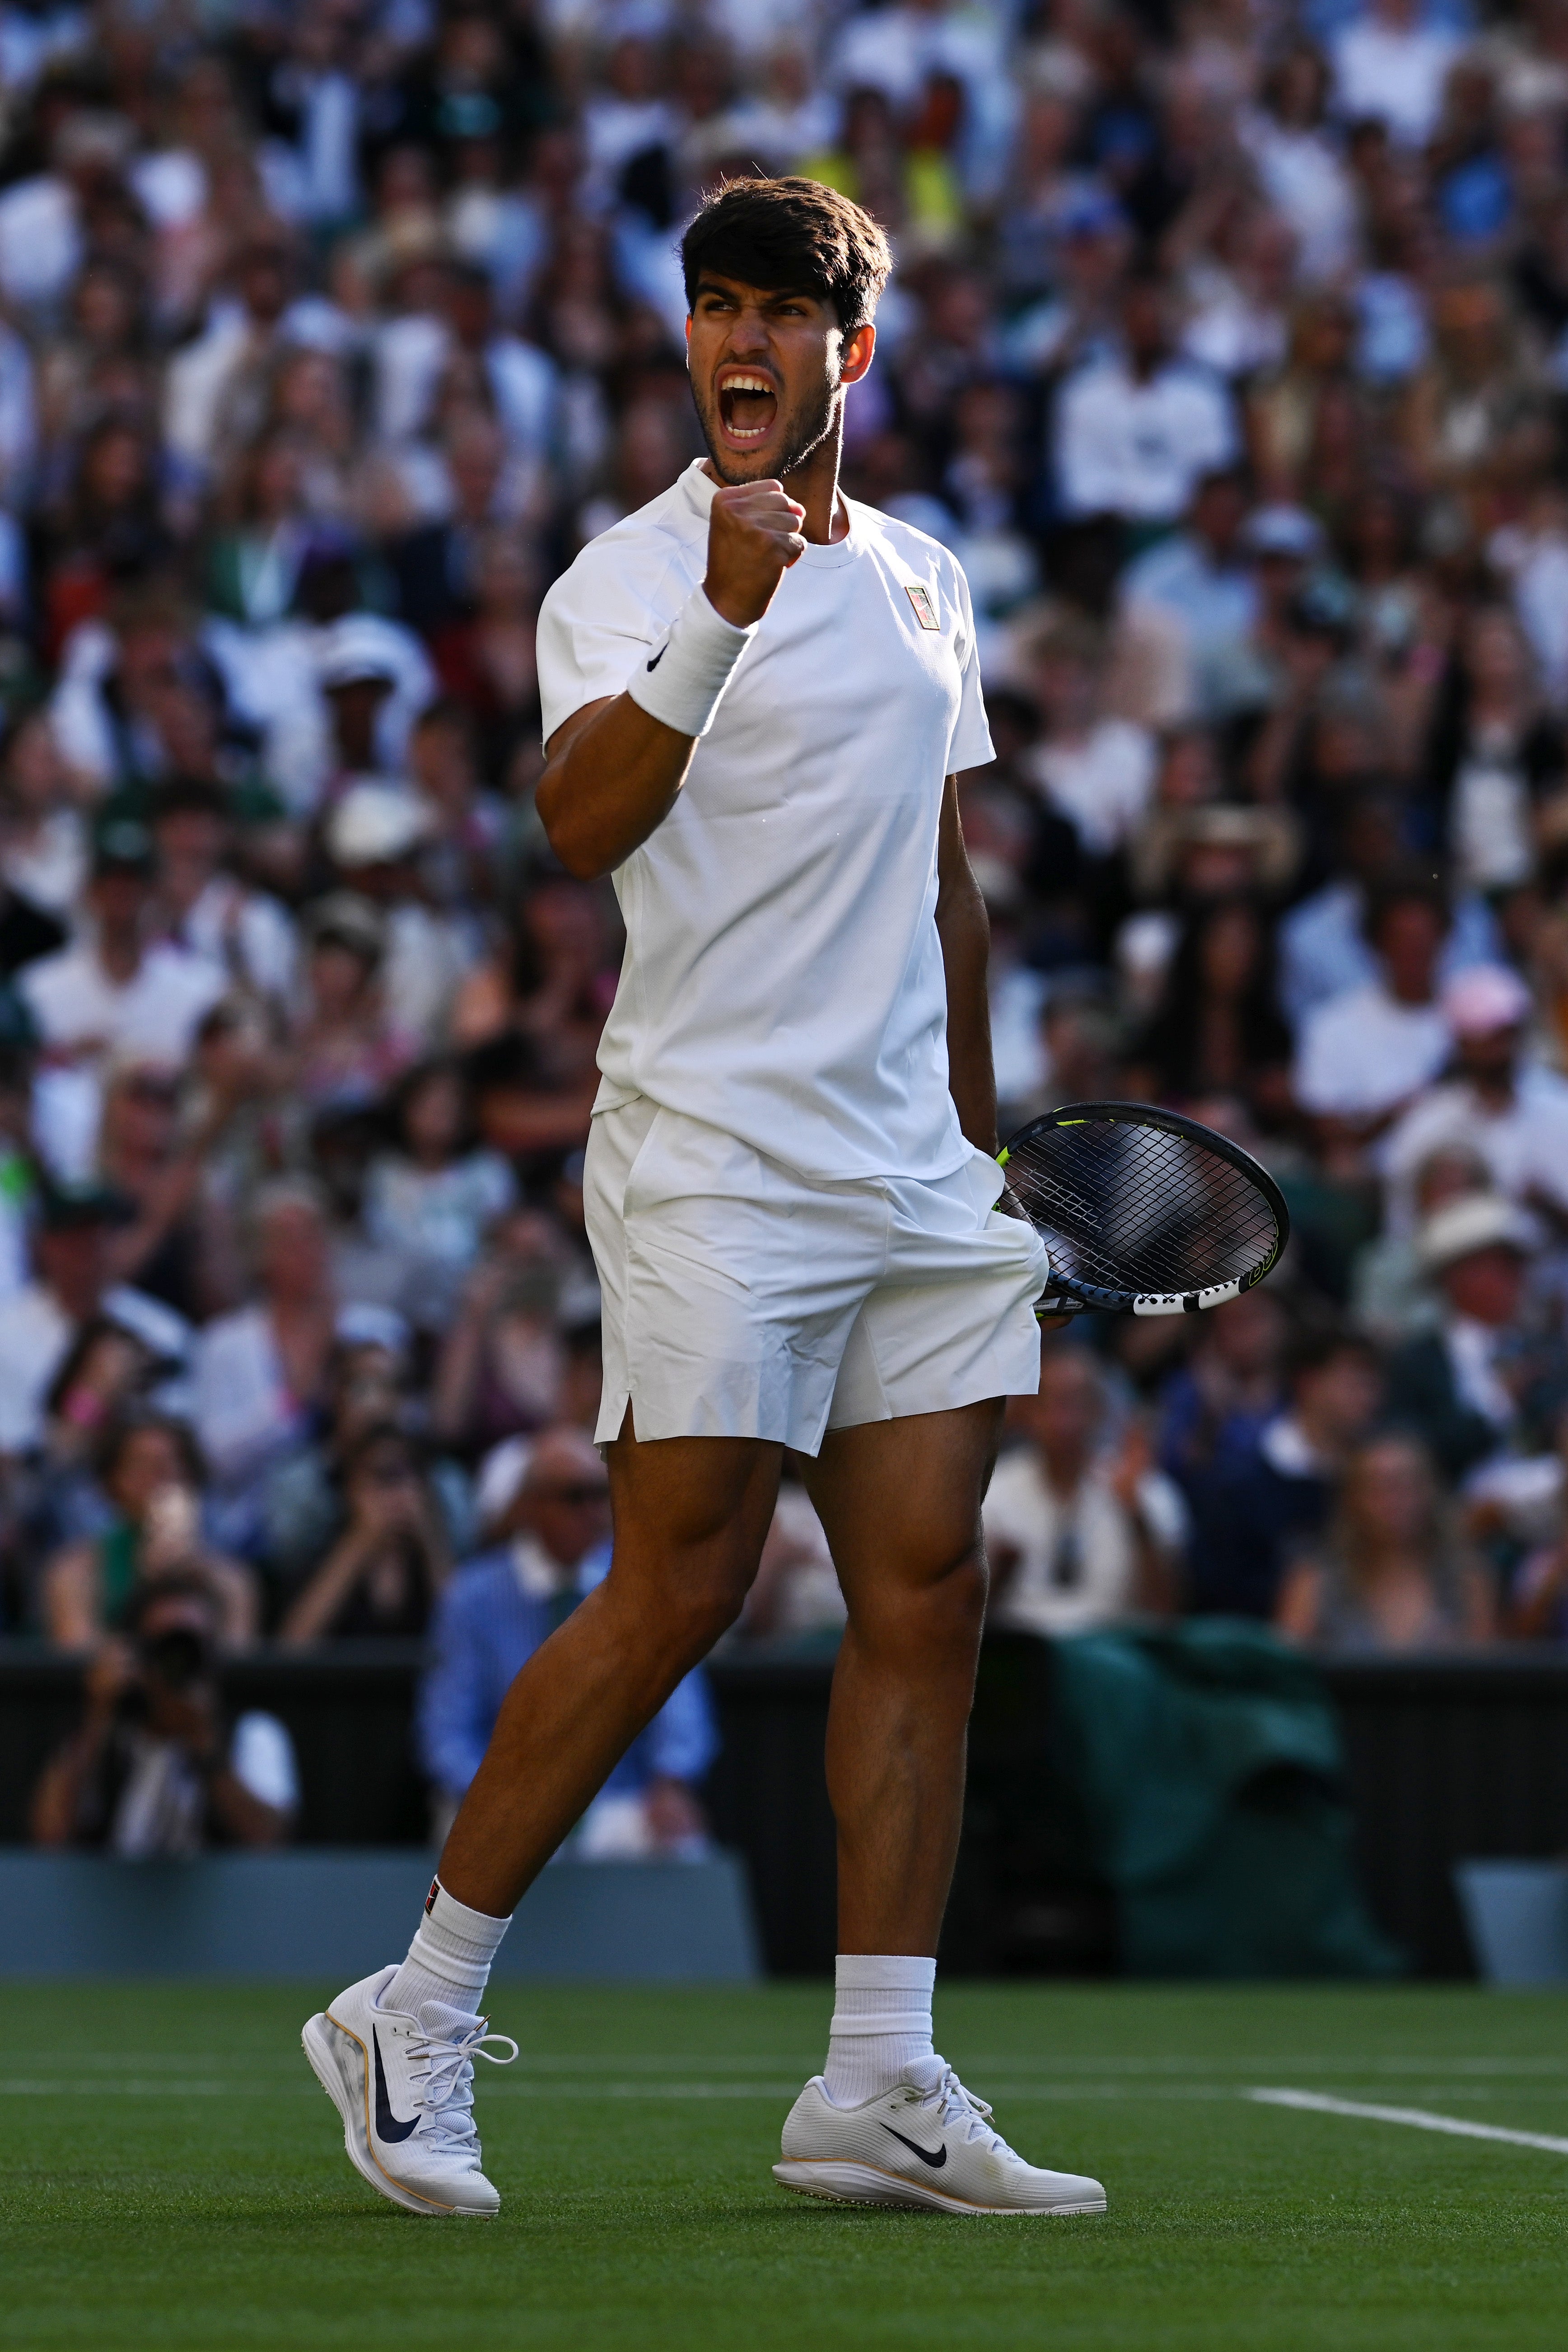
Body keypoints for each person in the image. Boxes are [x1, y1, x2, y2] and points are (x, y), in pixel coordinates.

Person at [302, 177, 1103, 2225]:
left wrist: (994, 1160)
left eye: (784, 319)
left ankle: (878, 2079)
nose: (742, 350)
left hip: (914, 1172)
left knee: (928, 1594)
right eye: (716, 312)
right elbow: (578, 826)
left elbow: (946, 884)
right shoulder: (622, 578)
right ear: (688, 342)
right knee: (684, 1587)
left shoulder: (931, 582)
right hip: (715, 1160)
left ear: (857, 352)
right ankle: (414, 2008)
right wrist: (726, 611)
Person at [418, 1426, 714, 1854]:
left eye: (602, 1494)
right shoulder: (471, 1599)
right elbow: (445, 1734)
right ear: (530, 1507)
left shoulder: (644, 1586)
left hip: (620, 1806)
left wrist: (671, 1782)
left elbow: (682, 1713)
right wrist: (495, 1800)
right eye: (576, 1497)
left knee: (684, 1842)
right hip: (501, 1803)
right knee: (462, 1839)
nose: (595, 1511)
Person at [30, 1574, 296, 1853]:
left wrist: (205, 1744)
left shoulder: (252, 1731)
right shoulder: (100, 1728)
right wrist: (96, 1719)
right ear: (136, 1651)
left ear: (213, 1654)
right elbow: (49, 1838)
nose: (176, 1662)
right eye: (164, 1646)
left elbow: (270, 1841)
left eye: (190, 1646)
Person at [982, 1345, 1185, 1635]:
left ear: (1100, 1411)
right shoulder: (994, 1491)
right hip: (1022, 1649)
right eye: (1050, 1404)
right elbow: (966, 1623)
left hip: (1115, 1648)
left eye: (1076, 1403)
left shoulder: (1144, 1489)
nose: (1063, 1422)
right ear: (1027, 1414)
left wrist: (1137, 1517)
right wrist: (999, 1574)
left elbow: (1169, 1615)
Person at [38, 1409, 256, 1649]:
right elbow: (81, 1664)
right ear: (112, 1483)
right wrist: (148, 1585)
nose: (161, 1478)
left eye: (173, 1464)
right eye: (142, 1465)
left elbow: (235, 1670)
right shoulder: (75, 1573)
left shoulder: (230, 1582)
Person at [1275, 1434, 1493, 1651]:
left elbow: (1486, 1675)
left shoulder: (1467, 1582)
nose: (1394, 1501)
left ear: (1430, 1491)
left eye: (1406, 1484)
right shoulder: (1315, 1581)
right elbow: (1289, 1674)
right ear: (1352, 1498)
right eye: (1378, 1487)